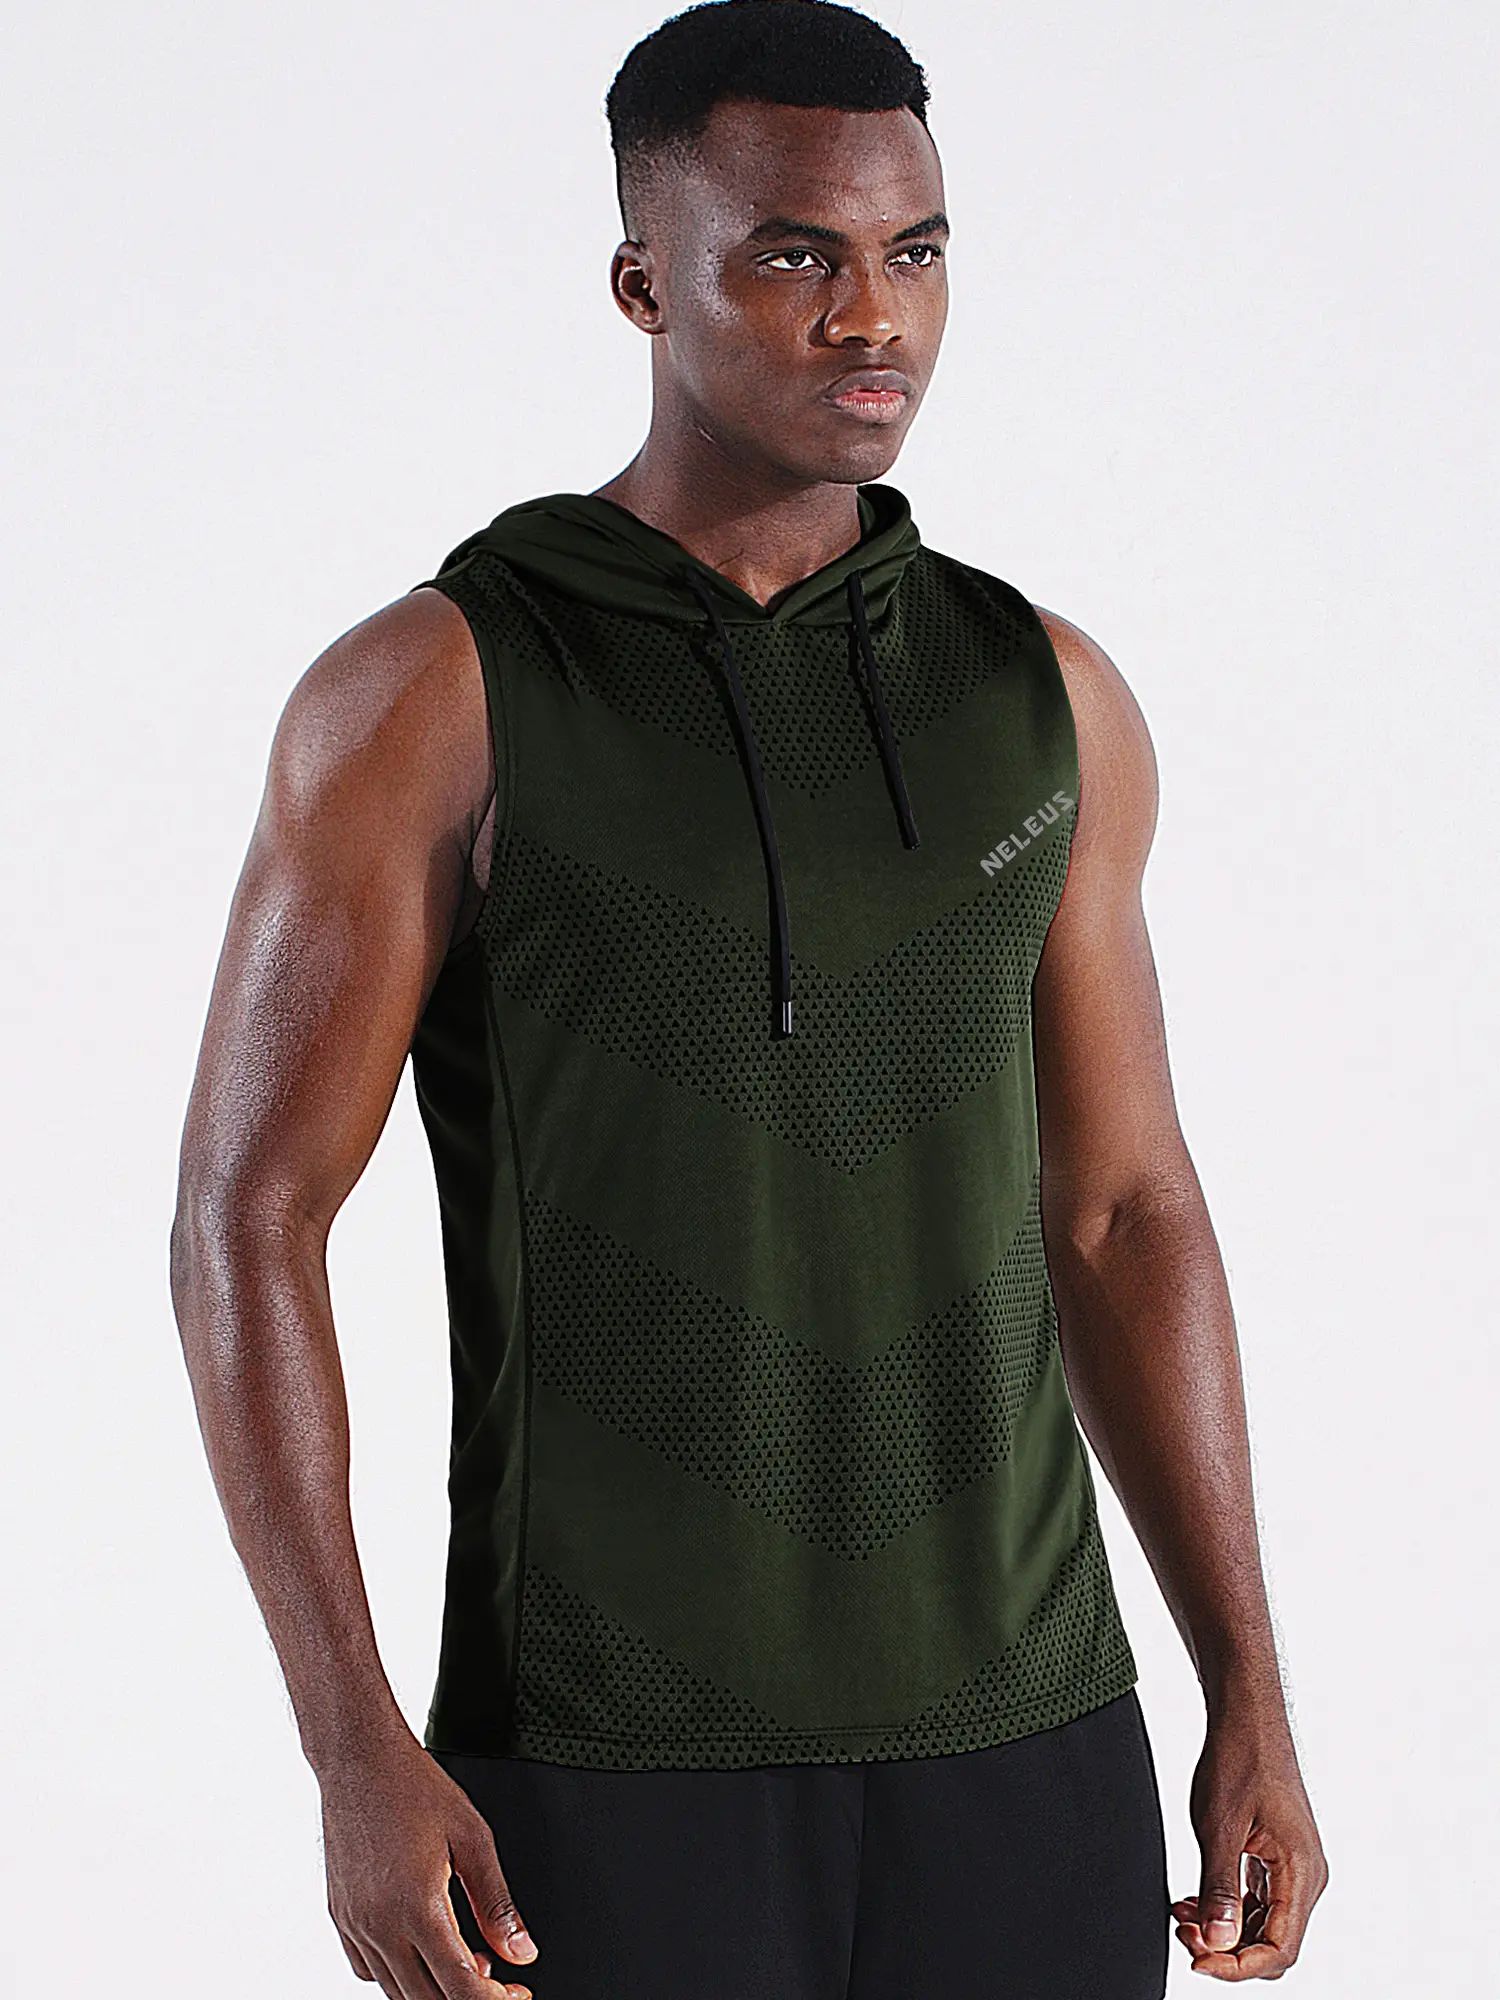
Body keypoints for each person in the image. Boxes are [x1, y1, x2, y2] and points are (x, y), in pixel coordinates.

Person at [170, 3, 1328, 1995]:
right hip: (604, 1758)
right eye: (796, 255)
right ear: (643, 282)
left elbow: (1126, 1208)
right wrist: (352, 1745)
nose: (873, 316)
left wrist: (1252, 1692)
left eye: (916, 252)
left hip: (1031, 1742)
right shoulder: (433, 692)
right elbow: (244, 1219)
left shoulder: (1042, 695)